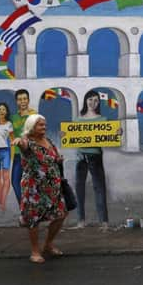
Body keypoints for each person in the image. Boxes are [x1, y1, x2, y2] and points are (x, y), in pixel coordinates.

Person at [14, 114, 67, 264]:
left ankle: (48, 244)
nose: (44, 127)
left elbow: (53, 158)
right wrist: (18, 142)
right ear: (31, 127)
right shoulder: (28, 142)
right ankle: (35, 251)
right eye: (40, 125)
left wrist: (58, 160)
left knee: (61, 214)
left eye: (44, 124)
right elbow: (23, 146)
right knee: (33, 219)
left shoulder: (48, 141)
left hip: (53, 186)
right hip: (34, 188)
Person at [74, 90, 109, 230]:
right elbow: (72, 137)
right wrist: (64, 134)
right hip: (80, 157)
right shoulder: (78, 119)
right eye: (90, 99)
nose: (92, 103)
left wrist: (117, 133)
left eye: (95, 100)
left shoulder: (102, 119)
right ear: (85, 100)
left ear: (98, 103)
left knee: (99, 189)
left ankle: (104, 222)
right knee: (79, 190)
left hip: (95, 156)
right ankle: (80, 221)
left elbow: (108, 137)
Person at [10, 89, 37, 206]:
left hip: (31, 155)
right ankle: (25, 210)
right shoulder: (13, 118)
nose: (23, 102)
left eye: (25, 99)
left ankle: (31, 211)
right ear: (16, 102)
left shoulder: (34, 116)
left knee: (32, 184)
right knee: (15, 183)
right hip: (18, 155)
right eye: (20, 99)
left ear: (28, 100)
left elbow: (38, 135)